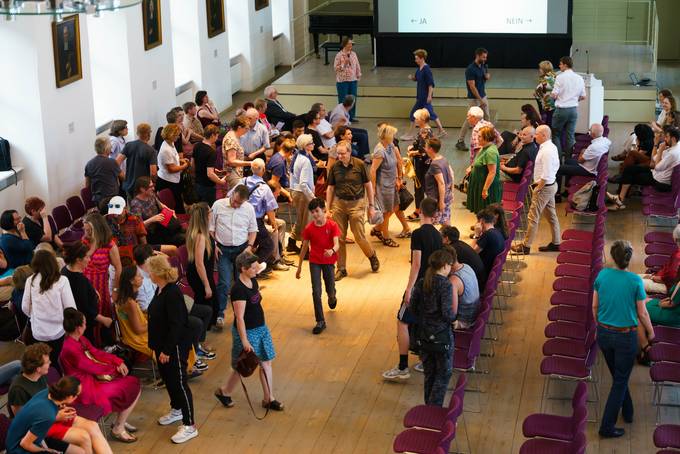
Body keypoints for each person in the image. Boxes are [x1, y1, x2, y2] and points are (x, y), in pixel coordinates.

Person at [592, 240, 654, 438]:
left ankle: (628, 411)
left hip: (603, 333)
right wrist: (651, 333)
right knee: (620, 380)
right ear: (629, 259)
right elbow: (642, 313)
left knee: (620, 377)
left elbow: (594, 306)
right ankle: (606, 427)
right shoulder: (635, 281)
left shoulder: (602, 275)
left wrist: (600, 324)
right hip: (625, 336)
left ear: (612, 256)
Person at [8, 343, 113, 454]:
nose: (50, 363)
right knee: (83, 439)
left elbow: (50, 399)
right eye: (47, 362)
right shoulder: (17, 390)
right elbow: (25, 423)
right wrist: (56, 416)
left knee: (92, 426)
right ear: (38, 368)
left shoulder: (41, 376)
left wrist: (60, 408)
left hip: (52, 416)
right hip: (40, 428)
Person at [214, 251, 283, 411]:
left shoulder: (253, 281)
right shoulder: (238, 290)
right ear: (243, 269)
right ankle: (224, 391)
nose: (256, 269)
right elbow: (239, 318)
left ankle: (269, 398)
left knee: (266, 362)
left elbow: (259, 269)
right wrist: (244, 340)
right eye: (253, 267)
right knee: (244, 366)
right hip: (248, 332)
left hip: (261, 328)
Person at [60, 308, 141, 443]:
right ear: (79, 328)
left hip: (90, 379)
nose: (86, 325)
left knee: (129, 382)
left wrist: (118, 361)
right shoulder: (70, 347)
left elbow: (97, 353)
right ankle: (118, 427)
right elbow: (91, 366)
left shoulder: (79, 339)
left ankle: (119, 421)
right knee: (132, 384)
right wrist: (114, 369)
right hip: (83, 387)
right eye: (85, 323)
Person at [383, 197, 442, 381]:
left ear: (421, 212)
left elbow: (416, 264)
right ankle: (425, 361)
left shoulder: (417, 234)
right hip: (432, 285)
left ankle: (402, 367)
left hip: (419, 287)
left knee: (402, 322)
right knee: (423, 322)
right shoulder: (438, 235)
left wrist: (409, 289)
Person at [146, 255, 198, 443]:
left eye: (150, 271)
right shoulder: (159, 290)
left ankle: (190, 424)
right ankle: (177, 409)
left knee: (179, 382)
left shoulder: (172, 293)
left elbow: (177, 325)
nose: (148, 274)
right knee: (168, 380)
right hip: (161, 346)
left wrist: (167, 350)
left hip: (173, 347)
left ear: (157, 273)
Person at [326, 141, 380, 280]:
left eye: (343, 153)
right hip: (339, 204)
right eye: (338, 153)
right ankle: (341, 268)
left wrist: (371, 206)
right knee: (339, 238)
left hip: (357, 203)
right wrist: (327, 208)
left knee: (359, 236)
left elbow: (368, 185)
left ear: (349, 152)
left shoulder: (359, 165)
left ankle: (371, 255)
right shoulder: (335, 167)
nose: (340, 156)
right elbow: (330, 188)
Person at [410, 249, 455, 406]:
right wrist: (455, 319)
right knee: (443, 374)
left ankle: (428, 407)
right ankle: (433, 410)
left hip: (423, 336)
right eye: (450, 265)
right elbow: (447, 313)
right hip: (442, 337)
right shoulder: (446, 285)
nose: (450, 268)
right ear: (444, 266)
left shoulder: (422, 282)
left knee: (429, 374)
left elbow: (412, 309)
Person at [210, 184, 258, 329]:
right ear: (232, 194)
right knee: (224, 283)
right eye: (235, 201)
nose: (236, 205)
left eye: (240, 203)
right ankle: (220, 314)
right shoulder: (218, 205)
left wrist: (249, 247)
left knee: (241, 283)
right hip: (222, 249)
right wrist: (214, 244)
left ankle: (243, 315)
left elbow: (253, 230)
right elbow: (210, 228)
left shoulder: (248, 208)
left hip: (242, 250)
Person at [511, 125, 562, 255]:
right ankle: (556, 243)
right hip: (550, 186)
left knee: (532, 217)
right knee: (551, 215)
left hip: (544, 187)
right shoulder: (550, 147)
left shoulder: (546, 151)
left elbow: (546, 174)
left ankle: (526, 246)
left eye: (537, 134)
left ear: (544, 135)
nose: (534, 136)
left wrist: (537, 189)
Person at [21, 249, 76, 366]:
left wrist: (35, 316)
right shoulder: (62, 281)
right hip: (58, 331)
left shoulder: (30, 280)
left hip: (38, 331)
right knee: (56, 362)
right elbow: (71, 308)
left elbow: (25, 307)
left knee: (41, 363)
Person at [295, 198, 340, 334]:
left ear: (324, 210)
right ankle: (320, 321)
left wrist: (331, 251)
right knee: (316, 291)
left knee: (330, 287)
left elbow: (337, 244)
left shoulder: (332, 226)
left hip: (328, 261)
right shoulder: (309, 228)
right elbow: (304, 247)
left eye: (317, 211)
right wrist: (299, 266)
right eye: (312, 212)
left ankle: (332, 297)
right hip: (314, 261)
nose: (315, 214)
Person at [608, 126, 680, 210]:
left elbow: (656, 167)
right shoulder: (676, 146)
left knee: (630, 174)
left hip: (659, 182)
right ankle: (619, 199)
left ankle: (619, 201)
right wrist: (658, 149)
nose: (665, 139)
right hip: (657, 174)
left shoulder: (672, 153)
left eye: (667, 137)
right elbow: (654, 159)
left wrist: (658, 148)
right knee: (629, 169)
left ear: (673, 138)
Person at [5, 376, 83, 454]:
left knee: (80, 451)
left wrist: (60, 406)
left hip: (17, 437)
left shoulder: (47, 392)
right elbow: (25, 444)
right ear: (69, 397)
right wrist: (46, 450)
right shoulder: (48, 416)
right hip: (17, 449)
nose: (77, 398)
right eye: (77, 395)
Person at [232, 159, 281, 273]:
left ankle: (247, 268)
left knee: (245, 245)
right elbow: (270, 208)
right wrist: (273, 222)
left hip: (239, 219)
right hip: (255, 221)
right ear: (263, 170)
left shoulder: (242, 181)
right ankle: (253, 268)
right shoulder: (264, 188)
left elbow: (230, 196)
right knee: (268, 246)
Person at [81, 212, 122, 346]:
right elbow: (81, 261)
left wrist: (115, 290)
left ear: (97, 229)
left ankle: (100, 345)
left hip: (100, 285)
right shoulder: (85, 241)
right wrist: (92, 246)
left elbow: (118, 268)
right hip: (85, 283)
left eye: (89, 230)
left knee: (100, 315)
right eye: (85, 229)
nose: (85, 232)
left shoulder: (109, 245)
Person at [61, 241, 112, 344]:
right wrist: (103, 319)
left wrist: (92, 290)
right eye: (87, 257)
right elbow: (84, 307)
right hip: (82, 325)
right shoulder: (79, 280)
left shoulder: (65, 270)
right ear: (78, 260)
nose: (89, 260)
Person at [555, 123, 611, 198]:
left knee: (559, 169)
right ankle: (567, 189)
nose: (589, 132)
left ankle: (557, 195)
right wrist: (585, 152)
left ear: (592, 134)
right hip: (591, 165)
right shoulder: (606, 141)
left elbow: (580, 160)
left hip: (588, 170)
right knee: (568, 161)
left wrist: (582, 151)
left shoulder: (593, 147)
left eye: (590, 131)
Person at [370, 124, 402, 247]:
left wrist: (399, 178)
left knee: (396, 207)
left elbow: (398, 161)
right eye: (392, 134)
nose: (394, 136)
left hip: (391, 183)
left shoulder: (390, 145)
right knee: (386, 212)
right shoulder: (380, 150)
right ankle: (386, 237)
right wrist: (373, 188)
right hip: (383, 185)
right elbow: (373, 170)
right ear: (387, 136)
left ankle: (378, 229)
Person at [129, 177, 186, 247]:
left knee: (183, 231)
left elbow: (161, 205)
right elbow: (138, 227)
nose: (153, 188)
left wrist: (170, 211)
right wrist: (152, 219)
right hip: (153, 233)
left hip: (162, 226)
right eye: (150, 187)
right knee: (183, 238)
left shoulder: (151, 195)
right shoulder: (135, 205)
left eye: (153, 185)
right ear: (142, 189)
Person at [551, 56, 586, 160]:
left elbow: (554, 94)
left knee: (556, 134)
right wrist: (573, 100)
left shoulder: (560, 77)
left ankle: (557, 159)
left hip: (562, 110)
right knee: (570, 136)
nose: (559, 66)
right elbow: (583, 96)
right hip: (573, 110)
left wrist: (550, 96)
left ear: (565, 65)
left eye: (560, 64)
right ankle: (568, 160)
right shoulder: (579, 78)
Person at [404, 49, 445, 139]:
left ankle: (410, 134)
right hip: (420, 96)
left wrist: (429, 96)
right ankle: (441, 131)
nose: (415, 60)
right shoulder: (419, 69)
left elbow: (431, 84)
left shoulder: (426, 69)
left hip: (425, 97)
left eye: (417, 58)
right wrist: (412, 78)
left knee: (414, 114)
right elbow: (417, 78)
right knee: (430, 113)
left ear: (422, 58)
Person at [456, 48, 490, 150]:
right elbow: (472, 87)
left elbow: (485, 76)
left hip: (483, 95)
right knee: (469, 120)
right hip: (474, 98)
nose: (485, 59)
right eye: (483, 57)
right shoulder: (470, 69)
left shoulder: (483, 66)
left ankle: (487, 139)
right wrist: (480, 100)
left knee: (487, 117)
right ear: (478, 56)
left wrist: (487, 76)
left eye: (486, 57)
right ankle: (460, 141)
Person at [288, 134, 316, 254]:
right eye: (311, 143)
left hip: (296, 191)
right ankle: (306, 251)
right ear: (306, 146)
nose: (313, 144)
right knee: (307, 222)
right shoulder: (305, 161)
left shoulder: (297, 156)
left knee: (300, 219)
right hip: (303, 194)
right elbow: (304, 184)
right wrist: (313, 198)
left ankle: (291, 242)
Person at [466, 126, 502, 214]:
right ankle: (480, 223)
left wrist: (485, 189)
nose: (477, 138)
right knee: (480, 209)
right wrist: (471, 167)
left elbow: (492, 172)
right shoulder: (484, 147)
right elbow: (478, 161)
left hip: (487, 186)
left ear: (486, 137)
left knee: (487, 211)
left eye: (479, 136)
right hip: (479, 184)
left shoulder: (490, 152)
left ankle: (485, 226)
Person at [115, 123, 158, 198]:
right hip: (143, 188)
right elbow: (153, 173)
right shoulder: (151, 151)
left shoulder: (129, 145)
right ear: (149, 134)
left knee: (133, 208)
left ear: (137, 133)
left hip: (129, 186)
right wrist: (153, 183)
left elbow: (116, 163)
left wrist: (124, 177)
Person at [406, 109, 434, 221]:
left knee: (421, 187)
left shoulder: (425, 131)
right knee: (420, 187)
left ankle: (423, 211)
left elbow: (423, 151)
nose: (415, 120)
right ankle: (420, 210)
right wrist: (412, 147)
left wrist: (413, 152)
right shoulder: (425, 130)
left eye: (416, 118)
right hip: (422, 163)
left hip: (423, 164)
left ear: (422, 120)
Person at [440, 226, 487, 291]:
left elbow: (447, 270)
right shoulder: (460, 243)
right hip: (481, 278)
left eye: (441, 237)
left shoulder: (451, 250)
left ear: (447, 238)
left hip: (477, 284)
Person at [157, 124, 190, 215]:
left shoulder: (170, 143)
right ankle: (179, 220)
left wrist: (180, 160)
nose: (179, 137)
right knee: (173, 203)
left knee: (178, 200)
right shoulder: (165, 149)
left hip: (173, 179)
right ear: (171, 135)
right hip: (167, 181)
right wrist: (185, 166)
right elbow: (171, 169)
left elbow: (172, 158)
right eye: (177, 135)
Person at [444, 245, 480, 329]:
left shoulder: (453, 282)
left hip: (464, 321)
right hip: (475, 312)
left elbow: (452, 314)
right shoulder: (466, 266)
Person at [639, 224, 680, 295]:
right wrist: (653, 276)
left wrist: (653, 277)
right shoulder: (677, 252)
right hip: (661, 278)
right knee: (631, 277)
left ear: (676, 239)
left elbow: (671, 277)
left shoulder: (677, 256)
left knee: (631, 282)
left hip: (667, 286)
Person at [423, 138, 454, 225]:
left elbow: (441, 183)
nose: (424, 148)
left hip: (437, 199)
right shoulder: (443, 159)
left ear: (431, 149)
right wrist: (452, 192)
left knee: (428, 222)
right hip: (447, 195)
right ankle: (449, 237)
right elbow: (452, 175)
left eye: (426, 147)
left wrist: (441, 202)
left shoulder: (435, 164)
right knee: (445, 220)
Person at [84, 137, 124, 205]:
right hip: (112, 199)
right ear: (106, 148)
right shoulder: (112, 162)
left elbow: (87, 185)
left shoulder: (89, 164)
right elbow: (123, 177)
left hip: (98, 200)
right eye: (110, 146)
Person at [192, 125, 225, 206]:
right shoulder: (211, 152)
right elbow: (210, 174)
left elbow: (192, 164)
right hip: (207, 187)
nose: (217, 137)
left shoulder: (197, 146)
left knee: (199, 209)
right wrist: (220, 181)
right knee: (208, 210)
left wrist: (213, 170)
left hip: (197, 183)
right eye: (217, 135)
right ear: (212, 135)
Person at [471, 208, 506, 275]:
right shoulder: (497, 231)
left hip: (483, 271)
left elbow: (472, 252)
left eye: (477, 222)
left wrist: (476, 234)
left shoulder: (488, 234)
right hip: (491, 270)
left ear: (481, 221)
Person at [334, 37, 361, 121]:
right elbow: (336, 68)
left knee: (352, 98)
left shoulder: (353, 54)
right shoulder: (339, 55)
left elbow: (357, 65)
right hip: (342, 81)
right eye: (349, 44)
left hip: (352, 80)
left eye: (351, 44)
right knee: (343, 99)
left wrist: (358, 74)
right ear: (344, 44)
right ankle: (343, 117)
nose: (350, 45)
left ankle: (351, 117)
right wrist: (343, 64)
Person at [223, 116, 251, 191]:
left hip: (236, 172)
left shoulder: (234, 136)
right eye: (246, 128)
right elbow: (231, 161)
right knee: (237, 197)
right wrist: (250, 163)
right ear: (239, 127)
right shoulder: (232, 140)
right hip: (233, 173)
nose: (248, 130)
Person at [267, 137, 294, 202]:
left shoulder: (276, 156)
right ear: (290, 152)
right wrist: (288, 194)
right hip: (280, 195)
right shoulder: (279, 163)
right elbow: (274, 183)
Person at [534, 60, 557, 125]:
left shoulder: (545, 80)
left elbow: (537, 92)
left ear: (544, 69)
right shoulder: (555, 76)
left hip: (548, 107)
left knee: (548, 127)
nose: (539, 70)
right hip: (557, 106)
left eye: (540, 68)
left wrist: (537, 94)